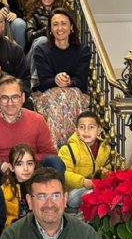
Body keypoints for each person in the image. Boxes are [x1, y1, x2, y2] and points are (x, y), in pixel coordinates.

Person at [0, 76, 65, 180]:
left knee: (55, 161)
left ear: (23, 98)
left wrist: (26, 162)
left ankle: (53, 193)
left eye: (15, 97)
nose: (10, 103)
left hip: (30, 172)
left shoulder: (37, 120)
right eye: (4, 98)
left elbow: (49, 153)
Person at [32, 8, 90, 147]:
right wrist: (55, 80)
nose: (60, 28)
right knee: (60, 100)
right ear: (50, 29)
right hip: (46, 95)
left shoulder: (83, 50)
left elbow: (81, 82)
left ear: (71, 27)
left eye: (63, 23)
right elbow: (45, 82)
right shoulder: (41, 50)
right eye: (55, 24)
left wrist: (70, 81)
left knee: (66, 97)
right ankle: (61, 149)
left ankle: (64, 149)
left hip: (75, 95)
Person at [58, 111, 111, 208]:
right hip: (74, 191)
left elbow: (109, 168)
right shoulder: (68, 150)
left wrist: (106, 173)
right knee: (91, 194)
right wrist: (83, 181)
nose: (86, 131)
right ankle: (82, 218)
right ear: (76, 130)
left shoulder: (105, 149)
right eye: (82, 127)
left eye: (91, 127)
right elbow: (64, 174)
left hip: (97, 187)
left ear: (99, 130)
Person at [25, 0, 66, 87]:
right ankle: (34, 80)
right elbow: (30, 37)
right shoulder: (34, 13)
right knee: (43, 40)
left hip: (54, 54)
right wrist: (48, 28)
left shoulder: (62, 13)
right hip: (34, 55)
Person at [0, 144, 37, 228]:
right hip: (16, 230)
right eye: (19, 164)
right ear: (11, 167)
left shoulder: (41, 186)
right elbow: (2, 218)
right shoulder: (4, 189)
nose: (26, 168)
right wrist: (14, 223)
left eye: (30, 163)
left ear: (35, 165)